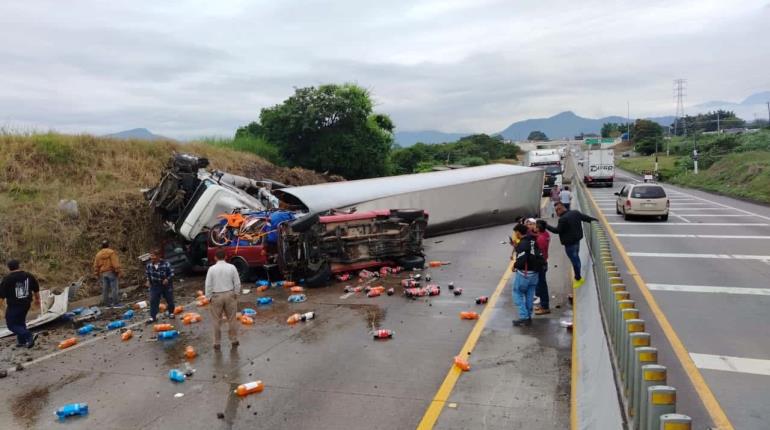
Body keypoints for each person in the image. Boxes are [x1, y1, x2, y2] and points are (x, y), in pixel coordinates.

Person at [545, 202, 597, 289]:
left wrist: (546, 226)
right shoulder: (575, 213)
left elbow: (557, 230)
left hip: (569, 244)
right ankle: (578, 276)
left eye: (557, 210)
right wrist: (595, 220)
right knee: (576, 258)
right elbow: (586, 218)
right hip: (577, 241)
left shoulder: (563, 219)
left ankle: (578, 278)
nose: (557, 212)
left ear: (561, 209)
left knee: (575, 260)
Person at [204, 248, 241, 349]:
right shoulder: (232, 267)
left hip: (216, 296)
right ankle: (234, 340)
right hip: (230, 294)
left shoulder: (211, 269)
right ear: (226, 257)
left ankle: (217, 343)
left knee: (216, 320)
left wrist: (209, 297)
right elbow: (237, 282)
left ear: (215, 257)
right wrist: (236, 293)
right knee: (232, 319)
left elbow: (208, 284)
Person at [0, 260, 40, 348]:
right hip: (26, 303)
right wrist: (37, 299)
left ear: (9, 268)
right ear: (19, 266)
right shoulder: (28, 275)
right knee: (20, 322)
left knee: (11, 325)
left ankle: (29, 336)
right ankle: (22, 341)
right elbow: (36, 288)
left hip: (14, 305)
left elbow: (1, 295)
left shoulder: (7, 279)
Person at [511, 224, 544, 327]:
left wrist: (515, 265)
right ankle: (529, 315)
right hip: (535, 273)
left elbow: (521, 259)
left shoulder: (523, 244)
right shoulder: (533, 241)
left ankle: (524, 316)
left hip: (524, 274)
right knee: (530, 295)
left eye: (515, 232)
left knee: (517, 293)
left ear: (518, 232)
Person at [145, 251, 175, 322]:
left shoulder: (166, 264)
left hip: (166, 285)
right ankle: (153, 317)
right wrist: (148, 281)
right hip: (155, 285)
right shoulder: (149, 266)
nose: (152, 258)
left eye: (153, 256)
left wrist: (167, 279)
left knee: (169, 299)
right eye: (151, 256)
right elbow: (148, 275)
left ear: (158, 256)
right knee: (153, 300)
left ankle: (171, 313)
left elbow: (172, 273)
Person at [93, 240, 122, 308]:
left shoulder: (98, 254)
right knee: (114, 288)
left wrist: (96, 273)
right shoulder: (111, 252)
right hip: (111, 272)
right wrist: (118, 271)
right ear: (108, 245)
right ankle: (116, 303)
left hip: (103, 273)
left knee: (105, 289)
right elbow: (115, 263)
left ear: (102, 246)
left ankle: (107, 304)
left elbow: (95, 265)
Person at [533, 220, 551, 315]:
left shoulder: (540, 239)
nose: (534, 228)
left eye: (535, 226)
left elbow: (538, 253)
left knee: (542, 285)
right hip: (544, 262)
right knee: (540, 284)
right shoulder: (546, 234)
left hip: (540, 264)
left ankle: (545, 307)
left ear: (538, 228)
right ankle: (543, 305)